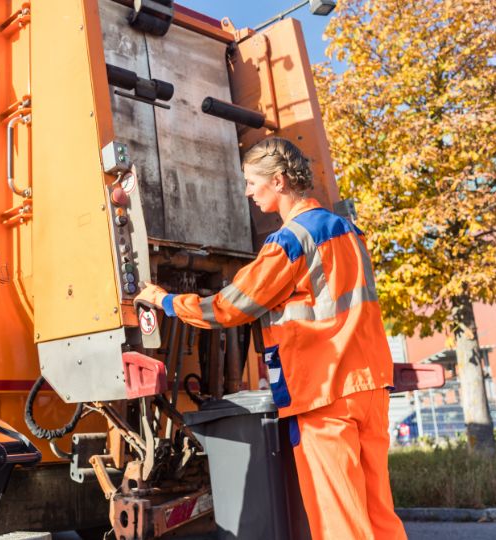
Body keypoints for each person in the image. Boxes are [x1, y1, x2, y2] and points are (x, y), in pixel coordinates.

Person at [135, 137, 407, 540]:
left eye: (251, 182)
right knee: (378, 513)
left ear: (278, 181)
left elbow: (228, 308)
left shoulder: (291, 241)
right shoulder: (348, 231)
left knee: (340, 520)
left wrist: (166, 301)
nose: (247, 191)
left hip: (325, 392)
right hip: (370, 385)